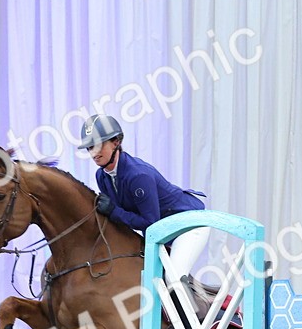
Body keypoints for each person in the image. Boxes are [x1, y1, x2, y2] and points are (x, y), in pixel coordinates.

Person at [78, 115, 209, 286]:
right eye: (89, 148)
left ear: (116, 142)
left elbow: (150, 222)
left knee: (173, 278)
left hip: (189, 225)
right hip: (162, 229)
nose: (93, 153)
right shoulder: (101, 176)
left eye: (97, 145)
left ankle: (194, 313)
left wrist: (114, 211)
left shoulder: (138, 175)